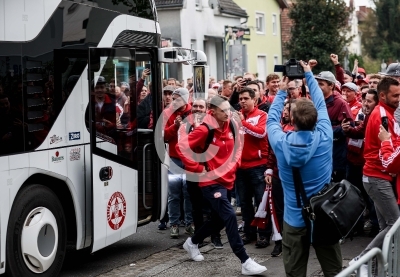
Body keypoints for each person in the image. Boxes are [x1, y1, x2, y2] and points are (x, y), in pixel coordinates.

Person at [177, 95, 267, 275]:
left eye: (228, 109)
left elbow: (238, 146)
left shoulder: (231, 124)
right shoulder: (204, 129)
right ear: (213, 110)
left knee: (218, 221)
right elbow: (182, 147)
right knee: (230, 216)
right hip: (210, 181)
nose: (228, 113)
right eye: (223, 110)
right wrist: (198, 166)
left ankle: (192, 242)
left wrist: (235, 164)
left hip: (227, 179)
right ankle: (245, 261)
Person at [267, 61, 342, 277]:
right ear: (317, 119)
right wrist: (309, 74)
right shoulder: (326, 135)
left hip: (294, 217)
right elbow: (320, 102)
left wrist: (282, 92)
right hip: (323, 214)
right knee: (334, 270)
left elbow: (271, 120)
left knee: (294, 271)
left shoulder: (280, 142)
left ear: (291, 119)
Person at [349, 77, 400, 276]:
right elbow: (390, 152)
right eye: (395, 95)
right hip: (377, 177)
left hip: (379, 177)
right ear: (382, 95)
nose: (398, 99)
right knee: (395, 225)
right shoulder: (381, 115)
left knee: (386, 226)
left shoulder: (388, 112)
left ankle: (374, 266)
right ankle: (363, 259)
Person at [180, 98, 224, 249]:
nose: (198, 109)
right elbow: (180, 147)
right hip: (192, 171)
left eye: (201, 106)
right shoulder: (185, 124)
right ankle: (197, 239)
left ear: (206, 109)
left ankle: (215, 236)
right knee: (196, 206)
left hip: (208, 170)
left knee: (213, 206)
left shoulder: (210, 126)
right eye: (195, 106)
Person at [234, 87, 270, 248]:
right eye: (240, 98)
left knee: (261, 203)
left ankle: (264, 235)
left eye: (245, 98)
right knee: (245, 204)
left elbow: (261, 133)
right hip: (241, 167)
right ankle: (249, 233)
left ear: (254, 100)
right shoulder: (236, 117)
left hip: (258, 166)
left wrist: (243, 122)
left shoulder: (262, 115)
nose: (242, 101)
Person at [315, 70, 353, 182]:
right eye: (317, 83)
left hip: (335, 153)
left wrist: (325, 130)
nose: (317, 87)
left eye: (321, 84)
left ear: (331, 85)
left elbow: (348, 126)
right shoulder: (315, 100)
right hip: (319, 150)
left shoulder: (340, 103)